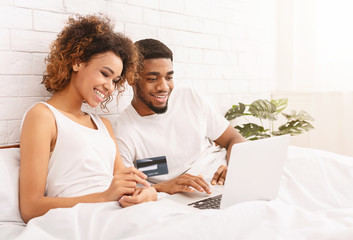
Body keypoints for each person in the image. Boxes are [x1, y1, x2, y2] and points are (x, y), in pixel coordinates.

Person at [19, 15, 157, 223]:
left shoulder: (104, 125)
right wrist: (104, 197)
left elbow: (126, 185)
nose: (110, 87)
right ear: (77, 62)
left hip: (120, 213)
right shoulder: (43, 116)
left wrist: (148, 194)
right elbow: (30, 207)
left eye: (115, 80)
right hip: (85, 219)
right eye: (104, 73)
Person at [114, 38, 246, 195]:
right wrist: (162, 187)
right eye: (152, 79)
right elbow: (126, 188)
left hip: (229, 177)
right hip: (191, 196)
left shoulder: (189, 97)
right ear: (131, 78)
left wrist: (236, 168)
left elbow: (234, 139)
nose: (163, 87)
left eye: (169, 77)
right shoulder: (124, 130)